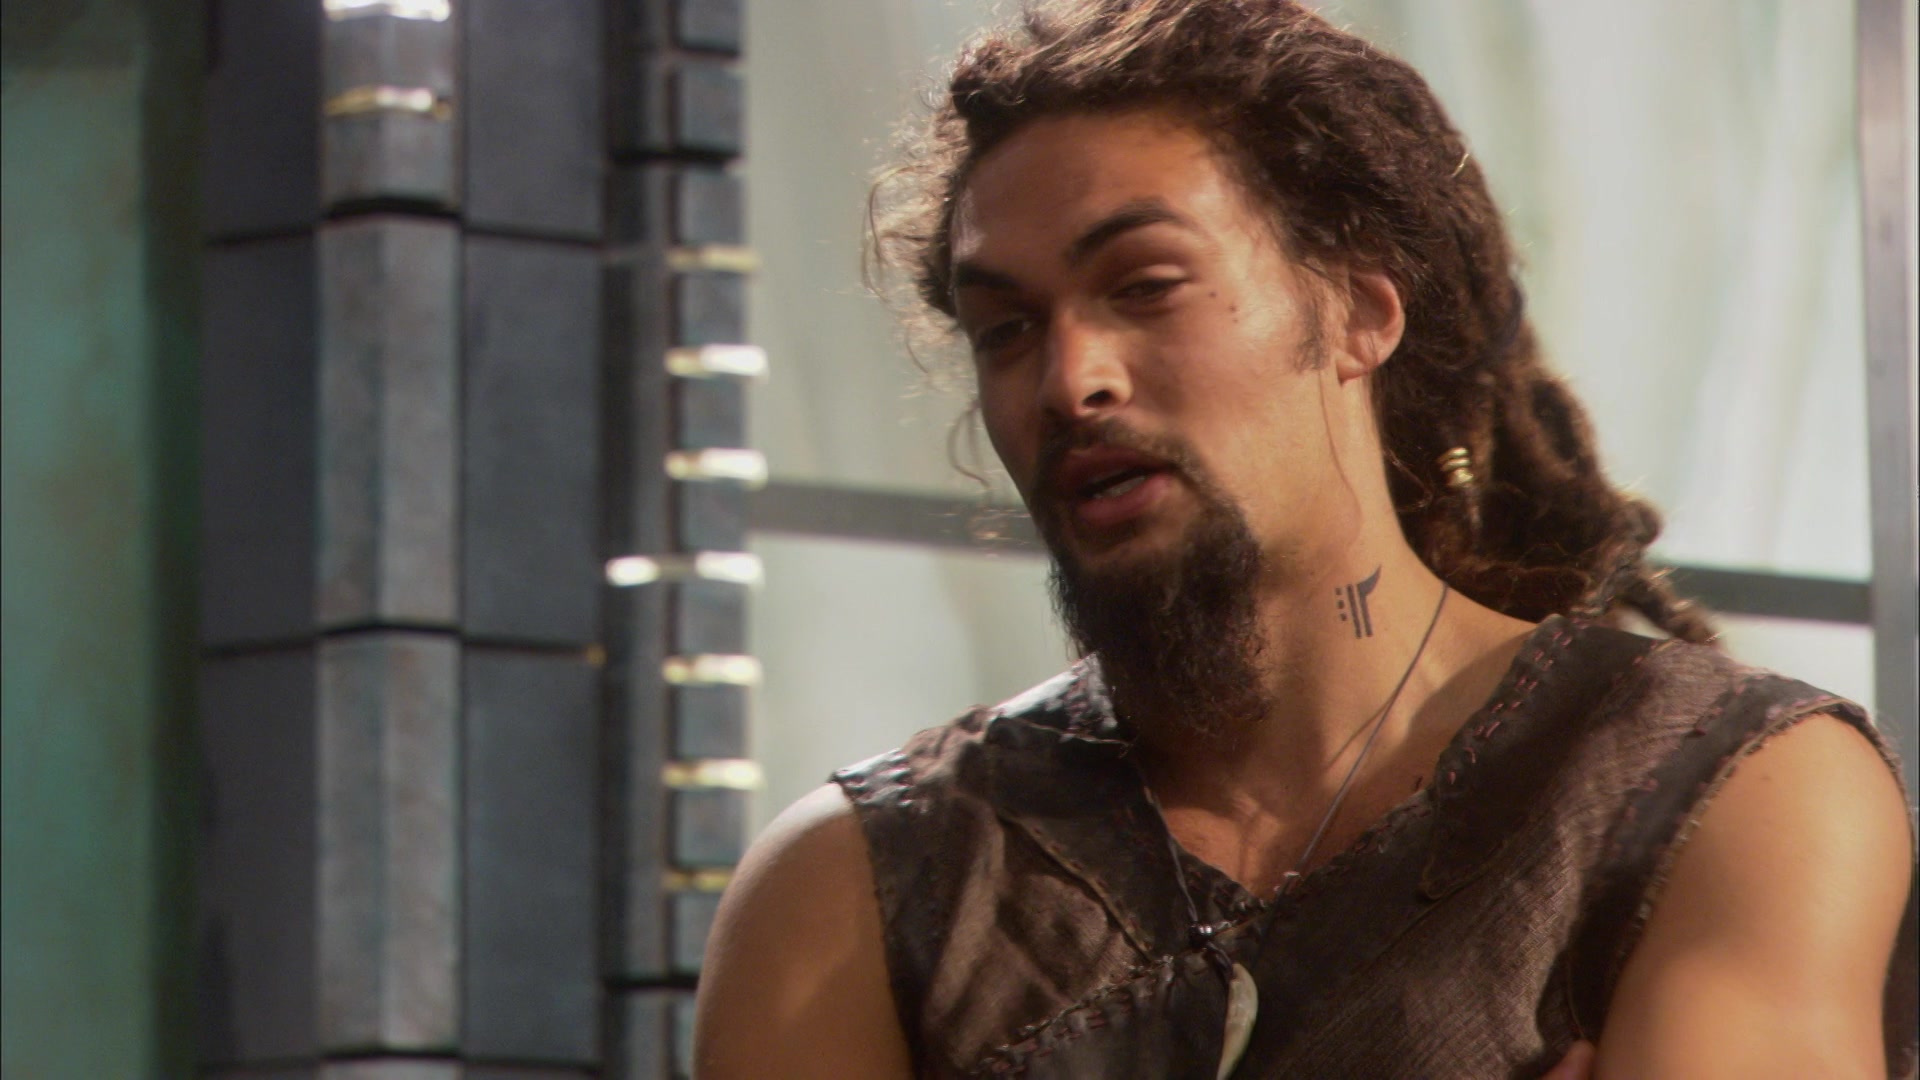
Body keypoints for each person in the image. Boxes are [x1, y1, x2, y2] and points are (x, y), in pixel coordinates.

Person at [693, 2, 1919, 1076]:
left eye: (1145, 285)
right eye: (1006, 329)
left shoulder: (1731, 790)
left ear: (1360, 313)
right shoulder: (850, 889)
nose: (1070, 381)